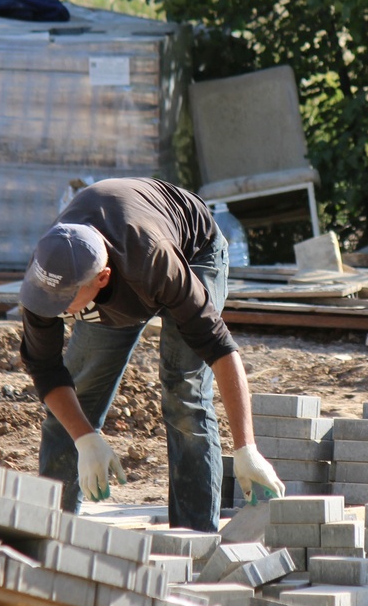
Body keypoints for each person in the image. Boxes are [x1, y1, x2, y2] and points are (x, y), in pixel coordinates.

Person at [18, 177, 285, 531]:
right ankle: (50, 533)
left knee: (184, 392)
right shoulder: (48, 276)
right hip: (124, 270)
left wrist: (246, 448)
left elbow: (219, 347)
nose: (54, 309)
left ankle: (193, 541)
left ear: (101, 278)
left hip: (192, 250)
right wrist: (85, 438)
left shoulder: (154, 262)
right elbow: (45, 367)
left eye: (64, 302)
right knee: (74, 403)